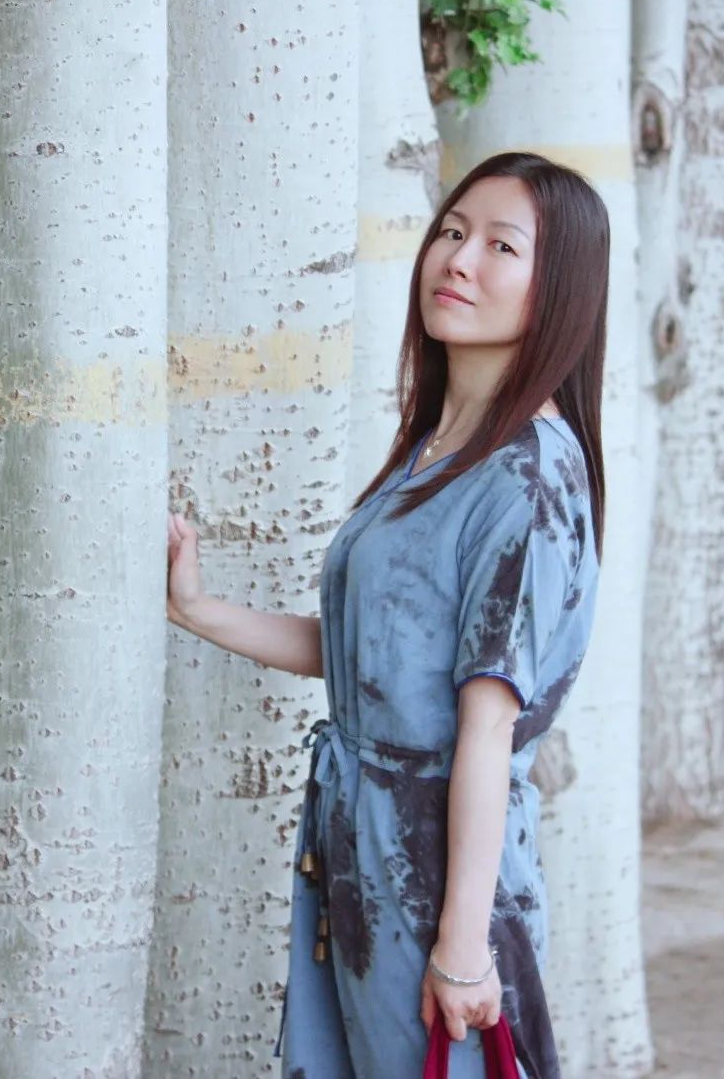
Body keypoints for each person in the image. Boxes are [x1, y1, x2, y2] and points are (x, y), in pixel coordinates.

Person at [166, 151, 608, 1079]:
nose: (459, 260)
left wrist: (462, 946)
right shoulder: (437, 448)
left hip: (436, 871)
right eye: (452, 231)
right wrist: (199, 610)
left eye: (501, 246)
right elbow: (371, 657)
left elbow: (486, 725)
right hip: (360, 850)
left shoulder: (526, 479)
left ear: (559, 289)